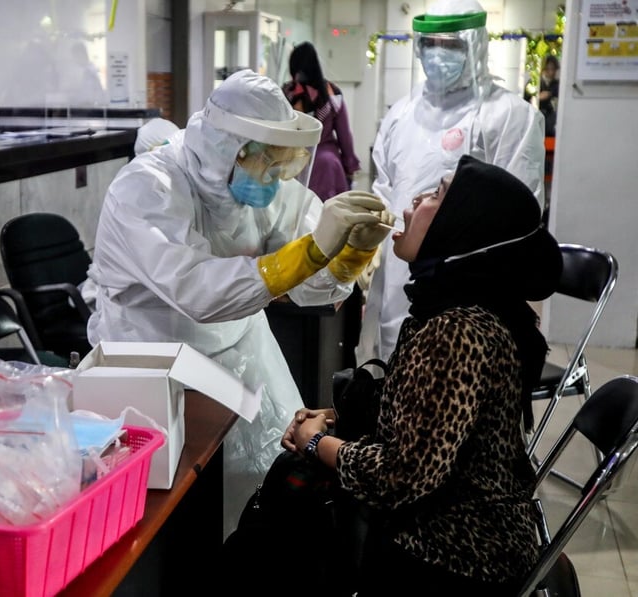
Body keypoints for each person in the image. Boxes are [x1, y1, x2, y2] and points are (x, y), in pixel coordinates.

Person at [85, 69, 393, 534]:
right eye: (267, 160)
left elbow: (308, 284)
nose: (275, 176)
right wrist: (307, 253)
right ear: (226, 148)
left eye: (283, 162)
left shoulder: (258, 187)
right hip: (157, 362)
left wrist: (346, 257)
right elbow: (196, 290)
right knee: (179, 513)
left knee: (270, 486)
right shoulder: (147, 188)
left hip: (241, 349)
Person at [284, 155, 562, 596]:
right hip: (458, 535)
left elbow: (399, 477)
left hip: (455, 554)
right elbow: (422, 424)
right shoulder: (458, 306)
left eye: (437, 194)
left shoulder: (456, 332)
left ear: (465, 228)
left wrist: (315, 443)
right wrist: (335, 421)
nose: (414, 200)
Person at [362, 0, 546, 363]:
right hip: (398, 272)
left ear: (476, 44)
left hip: (469, 291)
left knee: (453, 370)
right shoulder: (401, 114)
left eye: (451, 45)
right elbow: (385, 192)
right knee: (395, 361)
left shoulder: (510, 116)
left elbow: (517, 215)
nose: (438, 54)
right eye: (430, 43)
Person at [282, 41, 361, 201]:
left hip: (292, 163)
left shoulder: (285, 94)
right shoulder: (331, 94)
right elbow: (344, 135)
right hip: (327, 165)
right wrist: (350, 165)